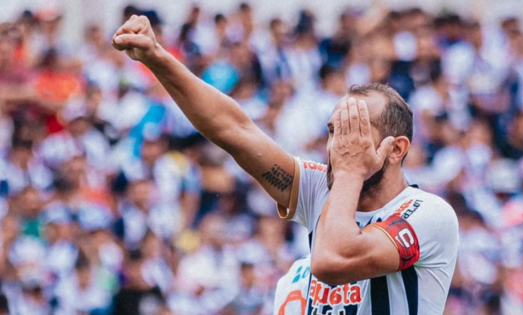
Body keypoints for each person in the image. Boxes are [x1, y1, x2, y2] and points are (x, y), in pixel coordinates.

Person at [111, 15, 459, 314]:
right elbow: (233, 130)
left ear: (396, 149)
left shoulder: (428, 214)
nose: (340, 146)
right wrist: (157, 58)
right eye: (334, 131)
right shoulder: (322, 187)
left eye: (355, 132)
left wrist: (351, 172)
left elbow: (331, 262)